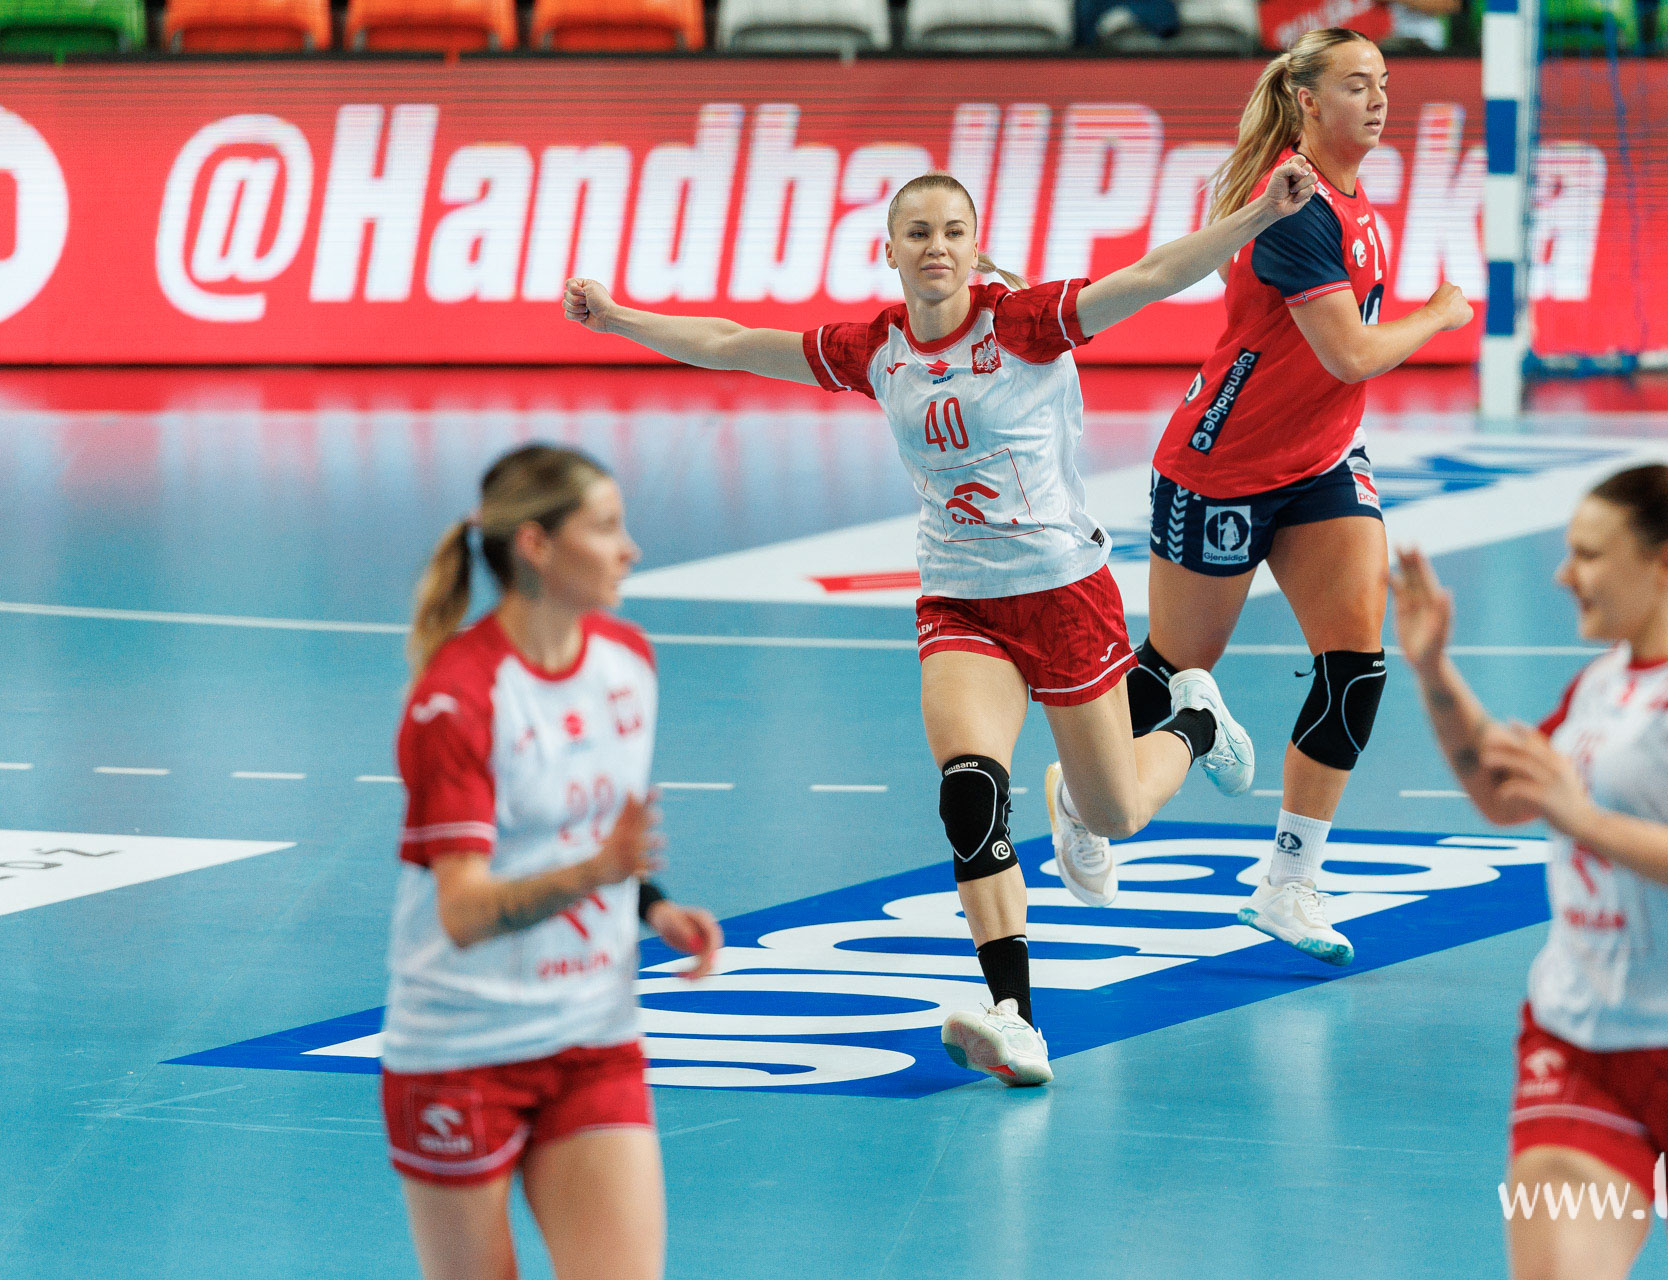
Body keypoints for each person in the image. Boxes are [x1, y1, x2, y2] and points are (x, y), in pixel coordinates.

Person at [562, 156, 1321, 1085]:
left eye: (953, 232)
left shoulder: (1028, 323)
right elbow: (730, 341)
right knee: (970, 792)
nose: (937, 248)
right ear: (890, 250)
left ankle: (1195, 719)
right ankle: (1016, 1017)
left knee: (1116, 813)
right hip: (961, 601)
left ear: (973, 247)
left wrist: (1258, 214)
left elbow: (1157, 273)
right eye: (918, 233)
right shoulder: (875, 349)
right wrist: (619, 318)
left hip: (1064, 593)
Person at [1393, 463, 1668, 1280]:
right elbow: (1505, 793)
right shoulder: (1602, 684)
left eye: (1589, 555)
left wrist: (1585, 818)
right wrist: (1434, 671)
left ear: (1667, 564)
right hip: (1582, 1044)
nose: (1565, 575)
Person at [1126, 27, 1473, 967]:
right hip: (1222, 466)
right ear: (1308, 101)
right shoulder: (1295, 205)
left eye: (1384, 81)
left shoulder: (1352, 198)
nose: (1379, 97)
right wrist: (1438, 316)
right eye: (1357, 84)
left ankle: (1288, 882)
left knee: (1356, 665)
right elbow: (1350, 354)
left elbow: (1325, 363)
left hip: (1320, 461)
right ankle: (1090, 790)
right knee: (1172, 667)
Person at [382, 444, 724, 1280]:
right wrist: (596, 875)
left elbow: (590, 834)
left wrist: (651, 904)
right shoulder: (458, 699)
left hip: (592, 1033)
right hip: (462, 1051)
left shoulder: (627, 663)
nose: (629, 549)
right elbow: (463, 913)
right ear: (536, 544)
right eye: (605, 527)